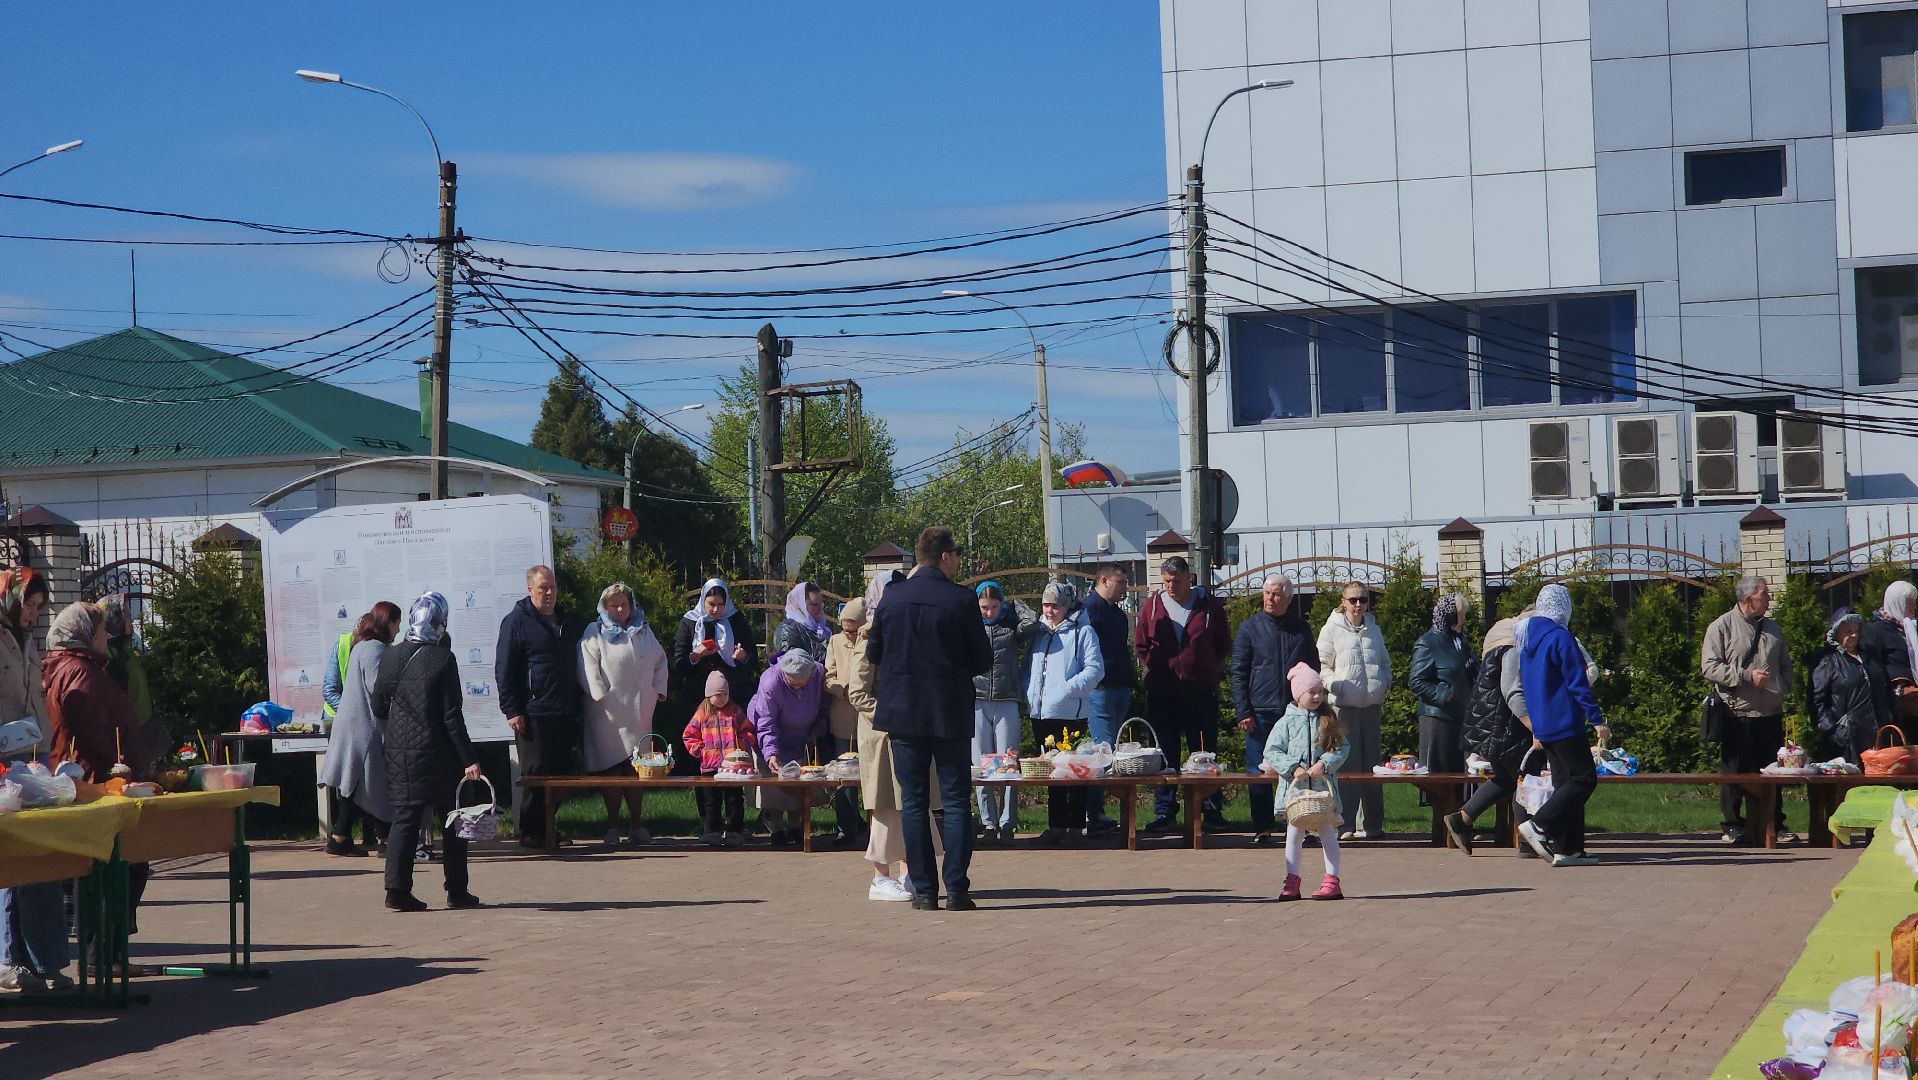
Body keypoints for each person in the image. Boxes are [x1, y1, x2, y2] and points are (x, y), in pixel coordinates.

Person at [866, 526, 993, 911]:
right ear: (944, 557)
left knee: (914, 802)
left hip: (903, 712)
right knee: (955, 801)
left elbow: (874, 654)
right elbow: (982, 659)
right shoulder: (960, 600)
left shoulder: (893, 598)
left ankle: (923, 891)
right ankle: (956, 889)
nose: (958, 562)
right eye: (956, 554)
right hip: (949, 710)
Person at [373, 592, 483, 912]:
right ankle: (457, 890)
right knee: (452, 819)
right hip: (438, 754)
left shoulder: (391, 656)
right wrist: (469, 759)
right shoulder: (443, 659)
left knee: (405, 820)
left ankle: (396, 889)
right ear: (440, 623)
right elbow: (451, 716)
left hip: (397, 750)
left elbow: (378, 706)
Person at [0, 568, 67, 995]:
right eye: (28, 602)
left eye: (39, 607)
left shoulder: (26, 641)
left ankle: (45, 962)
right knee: (10, 863)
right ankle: (8, 960)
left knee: (41, 859)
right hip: (3, 761)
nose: (33, 612)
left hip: (32, 755)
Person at [1134, 555, 1232, 836]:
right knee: (1165, 754)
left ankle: (1210, 809)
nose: (1171, 586)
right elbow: (1141, 645)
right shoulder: (1152, 606)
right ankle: (1165, 811)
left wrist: (1203, 667)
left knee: (1203, 752)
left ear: (1189, 577)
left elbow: (1223, 643)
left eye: (1176, 580)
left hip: (1199, 691)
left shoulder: (1209, 607)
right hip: (1163, 692)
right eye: (1166, 581)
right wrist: (1158, 668)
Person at [495, 565, 586, 849]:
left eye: (552, 587)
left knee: (563, 774)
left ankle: (547, 827)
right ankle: (531, 832)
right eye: (542, 588)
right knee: (535, 774)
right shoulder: (516, 622)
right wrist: (512, 709)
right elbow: (504, 669)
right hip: (533, 713)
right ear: (530, 590)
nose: (548, 593)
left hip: (564, 710)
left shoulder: (567, 621)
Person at [1700, 574, 1793, 845]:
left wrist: (1782, 687)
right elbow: (1709, 666)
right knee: (1734, 772)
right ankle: (1732, 824)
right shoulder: (1721, 627)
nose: (1769, 598)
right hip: (1736, 713)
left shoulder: (1773, 628)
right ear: (1749, 598)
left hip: (1770, 713)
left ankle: (1774, 823)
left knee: (1773, 771)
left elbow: (1785, 664)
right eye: (1765, 594)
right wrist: (1744, 676)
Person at [1516, 584, 1605, 867]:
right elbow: (1577, 684)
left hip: (1544, 722)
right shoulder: (1561, 638)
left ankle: (1569, 849)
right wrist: (1597, 719)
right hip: (1565, 720)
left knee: (1565, 784)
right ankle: (1540, 825)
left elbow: (1527, 684)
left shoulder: (1527, 639)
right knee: (1583, 778)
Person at [579, 582, 669, 848]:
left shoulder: (643, 630)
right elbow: (586, 666)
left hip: (639, 711)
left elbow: (660, 661)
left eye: (624, 604)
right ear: (604, 607)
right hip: (607, 713)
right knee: (612, 769)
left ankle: (637, 824)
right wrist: (599, 693)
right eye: (614, 605)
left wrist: (657, 691)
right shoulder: (593, 633)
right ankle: (612, 825)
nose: (620, 609)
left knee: (638, 769)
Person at [1232, 574, 1318, 844]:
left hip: (1294, 712)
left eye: (1277, 594)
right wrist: (1243, 711)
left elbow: (1312, 667)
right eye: (1267, 593)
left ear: (1289, 598)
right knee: (1259, 771)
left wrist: (1312, 704)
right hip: (1259, 712)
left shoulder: (1300, 629)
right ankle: (1263, 828)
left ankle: (1301, 825)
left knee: (1300, 769)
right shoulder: (1249, 628)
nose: (1270, 598)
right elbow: (1238, 672)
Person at [846, 584, 918, 901]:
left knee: (910, 805)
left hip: (907, 731)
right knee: (884, 805)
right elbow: (858, 693)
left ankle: (909, 873)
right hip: (880, 733)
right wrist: (894, 714)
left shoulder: (905, 633)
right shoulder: (870, 639)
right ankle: (879, 877)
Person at [1024, 581, 1105, 846]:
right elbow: (1029, 667)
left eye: (1055, 605)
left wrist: (1069, 689)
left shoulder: (1083, 632)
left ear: (1067, 605)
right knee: (1050, 771)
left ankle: (1075, 827)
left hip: (1070, 713)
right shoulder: (1039, 632)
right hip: (1041, 713)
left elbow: (1095, 669)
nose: (1049, 610)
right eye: (1046, 604)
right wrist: (1027, 691)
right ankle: (1056, 825)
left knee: (1073, 770)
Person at [316, 604, 400, 856]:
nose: (398, 629)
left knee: (353, 783)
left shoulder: (361, 646)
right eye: (396, 623)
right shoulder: (375, 649)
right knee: (376, 780)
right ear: (387, 622)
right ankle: (385, 840)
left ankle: (340, 837)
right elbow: (379, 690)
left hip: (351, 724)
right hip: (367, 726)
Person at [1260, 663, 1348, 901]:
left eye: (1320, 690)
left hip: (1322, 794)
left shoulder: (1328, 720)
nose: (1318, 696)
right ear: (1298, 694)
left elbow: (1342, 748)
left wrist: (1324, 764)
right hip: (1296, 793)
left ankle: (1332, 880)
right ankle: (1292, 880)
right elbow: (1272, 750)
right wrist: (1293, 768)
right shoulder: (1285, 723)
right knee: (1294, 834)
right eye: (1312, 691)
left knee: (1328, 832)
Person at [1318, 582, 1392, 840]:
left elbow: (1384, 662)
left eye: (1362, 599)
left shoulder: (1374, 629)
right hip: (1344, 708)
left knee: (1373, 766)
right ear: (1343, 601)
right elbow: (1321, 664)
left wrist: (1384, 684)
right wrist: (1333, 684)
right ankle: (1345, 823)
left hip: (1371, 706)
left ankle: (1373, 823)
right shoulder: (1331, 629)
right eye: (1353, 600)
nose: (1358, 604)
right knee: (1346, 765)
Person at [748, 649, 826, 847]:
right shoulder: (770, 681)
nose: (799, 687)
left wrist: (816, 731)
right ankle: (775, 827)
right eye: (793, 683)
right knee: (776, 785)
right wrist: (771, 752)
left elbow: (824, 706)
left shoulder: (817, 672)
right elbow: (766, 721)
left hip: (802, 735)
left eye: (802, 683)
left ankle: (794, 825)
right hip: (771, 734)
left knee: (799, 786)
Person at [1080, 563, 1133, 834]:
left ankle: (1099, 812)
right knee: (1101, 751)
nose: (1125, 588)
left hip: (1119, 686)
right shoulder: (1089, 609)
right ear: (1103, 580)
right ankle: (1094, 813)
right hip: (1099, 690)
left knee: (1112, 748)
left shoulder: (1118, 615)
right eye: (1120, 582)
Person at [973, 582, 1025, 844]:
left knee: (1009, 765)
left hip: (1006, 698)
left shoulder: (1011, 625)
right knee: (982, 766)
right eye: (984, 608)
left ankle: (1007, 822)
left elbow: (1032, 624)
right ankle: (988, 822)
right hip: (978, 700)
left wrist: (1015, 606)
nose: (989, 613)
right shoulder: (971, 627)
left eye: (994, 607)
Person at [681, 670, 752, 846]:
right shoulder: (702, 714)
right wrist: (700, 751)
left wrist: (742, 745)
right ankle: (711, 830)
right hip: (709, 767)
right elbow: (688, 735)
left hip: (732, 767)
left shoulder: (735, 712)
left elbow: (748, 731)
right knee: (711, 801)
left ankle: (735, 830)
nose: (722, 698)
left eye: (725, 694)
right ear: (709, 695)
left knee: (734, 799)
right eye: (718, 695)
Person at [671, 578, 760, 715]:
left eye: (720, 604)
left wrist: (743, 656)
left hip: (732, 692)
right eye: (711, 604)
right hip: (698, 694)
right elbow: (678, 663)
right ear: (703, 601)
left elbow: (753, 659)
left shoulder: (736, 620)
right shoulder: (690, 622)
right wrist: (697, 655)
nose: (715, 609)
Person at [821, 598, 870, 847]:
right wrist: (841, 688)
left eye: (853, 630)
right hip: (842, 715)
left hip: (867, 718)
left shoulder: (871, 640)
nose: (848, 635)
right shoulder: (834, 642)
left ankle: (873, 828)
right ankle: (845, 829)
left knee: (871, 775)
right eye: (845, 629)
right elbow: (828, 677)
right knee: (844, 777)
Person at [1410, 594, 1476, 775]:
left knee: (1463, 777)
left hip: (1461, 718)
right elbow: (1416, 680)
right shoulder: (1427, 643)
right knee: (1442, 779)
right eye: (1460, 614)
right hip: (1439, 720)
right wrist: (1443, 694)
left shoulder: (1459, 641)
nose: (1463, 620)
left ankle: (1461, 805)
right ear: (1449, 615)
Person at [1812, 609, 1882, 766]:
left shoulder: (1869, 658)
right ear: (1836, 633)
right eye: (1848, 631)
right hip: (1848, 736)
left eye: (1856, 631)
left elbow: (1883, 692)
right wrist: (1834, 730)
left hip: (1875, 731)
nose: (1854, 636)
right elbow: (1818, 701)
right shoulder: (1829, 662)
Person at [1860, 580, 1917, 726]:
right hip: (1899, 703)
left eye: (1913, 602)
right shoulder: (1877, 631)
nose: (1913, 607)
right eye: (1908, 603)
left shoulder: (1911, 627)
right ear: (1896, 603)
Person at [771, 581, 831, 664]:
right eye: (814, 605)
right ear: (799, 605)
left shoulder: (820, 628)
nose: (820, 608)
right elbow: (794, 664)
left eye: (820, 604)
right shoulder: (788, 629)